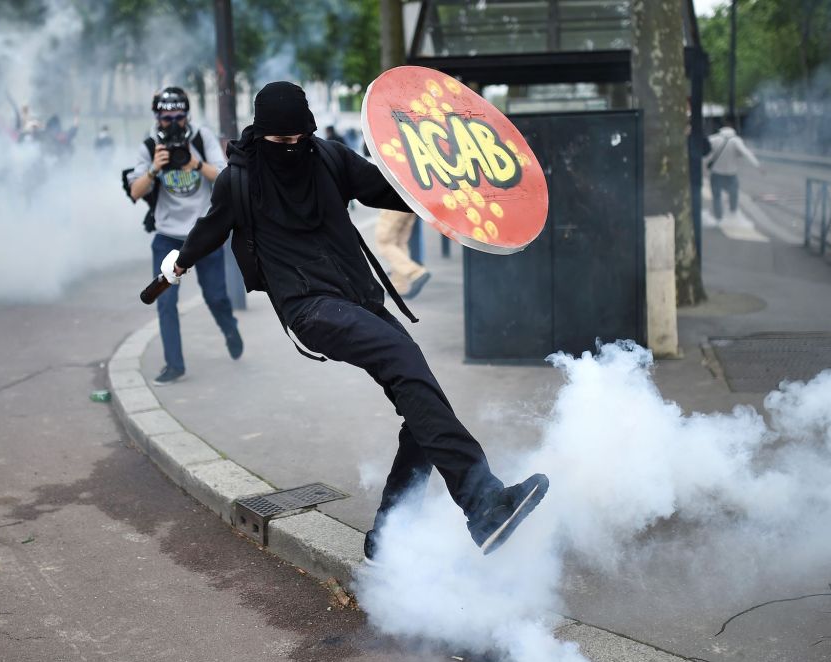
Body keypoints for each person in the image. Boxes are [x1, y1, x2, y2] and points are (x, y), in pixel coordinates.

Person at [161, 82, 548, 561]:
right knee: (404, 361)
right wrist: (179, 262)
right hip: (309, 308)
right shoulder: (238, 181)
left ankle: (387, 535)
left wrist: (455, 190)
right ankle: (483, 503)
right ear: (260, 134)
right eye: (280, 141)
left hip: (360, 299)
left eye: (298, 138)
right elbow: (211, 228)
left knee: (422, 399)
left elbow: (392, 190)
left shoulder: (329, 157)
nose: (291, 147)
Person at [127, 86, 243, 385]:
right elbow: (135, 192)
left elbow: (226, 176)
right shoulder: (150, 145)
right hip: (167, 237)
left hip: (203, 234)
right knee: (165, 302)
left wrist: (196, 164)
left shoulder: (201, 138)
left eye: (179, 117)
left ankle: (230, 328)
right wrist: (154, 169)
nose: (173, 123)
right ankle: (174, 365)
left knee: (216, 297)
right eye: (167, 118)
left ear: (187, 116)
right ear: (157, 118)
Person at [706, 116, 761, 221]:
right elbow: (746, 153)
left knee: (717, 196)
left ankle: (718, 217)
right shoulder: (736, 140)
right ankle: (732, 214)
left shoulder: (713, 138)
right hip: (731, 174)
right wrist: (757, 165)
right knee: (733, 195)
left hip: (716, 173)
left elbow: (705, 152)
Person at [375, 209, 430, 299]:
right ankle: (399, 286)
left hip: (394, 204)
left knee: (385, 243)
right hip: (410, 205)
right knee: (399, 243)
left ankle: (416, 272)